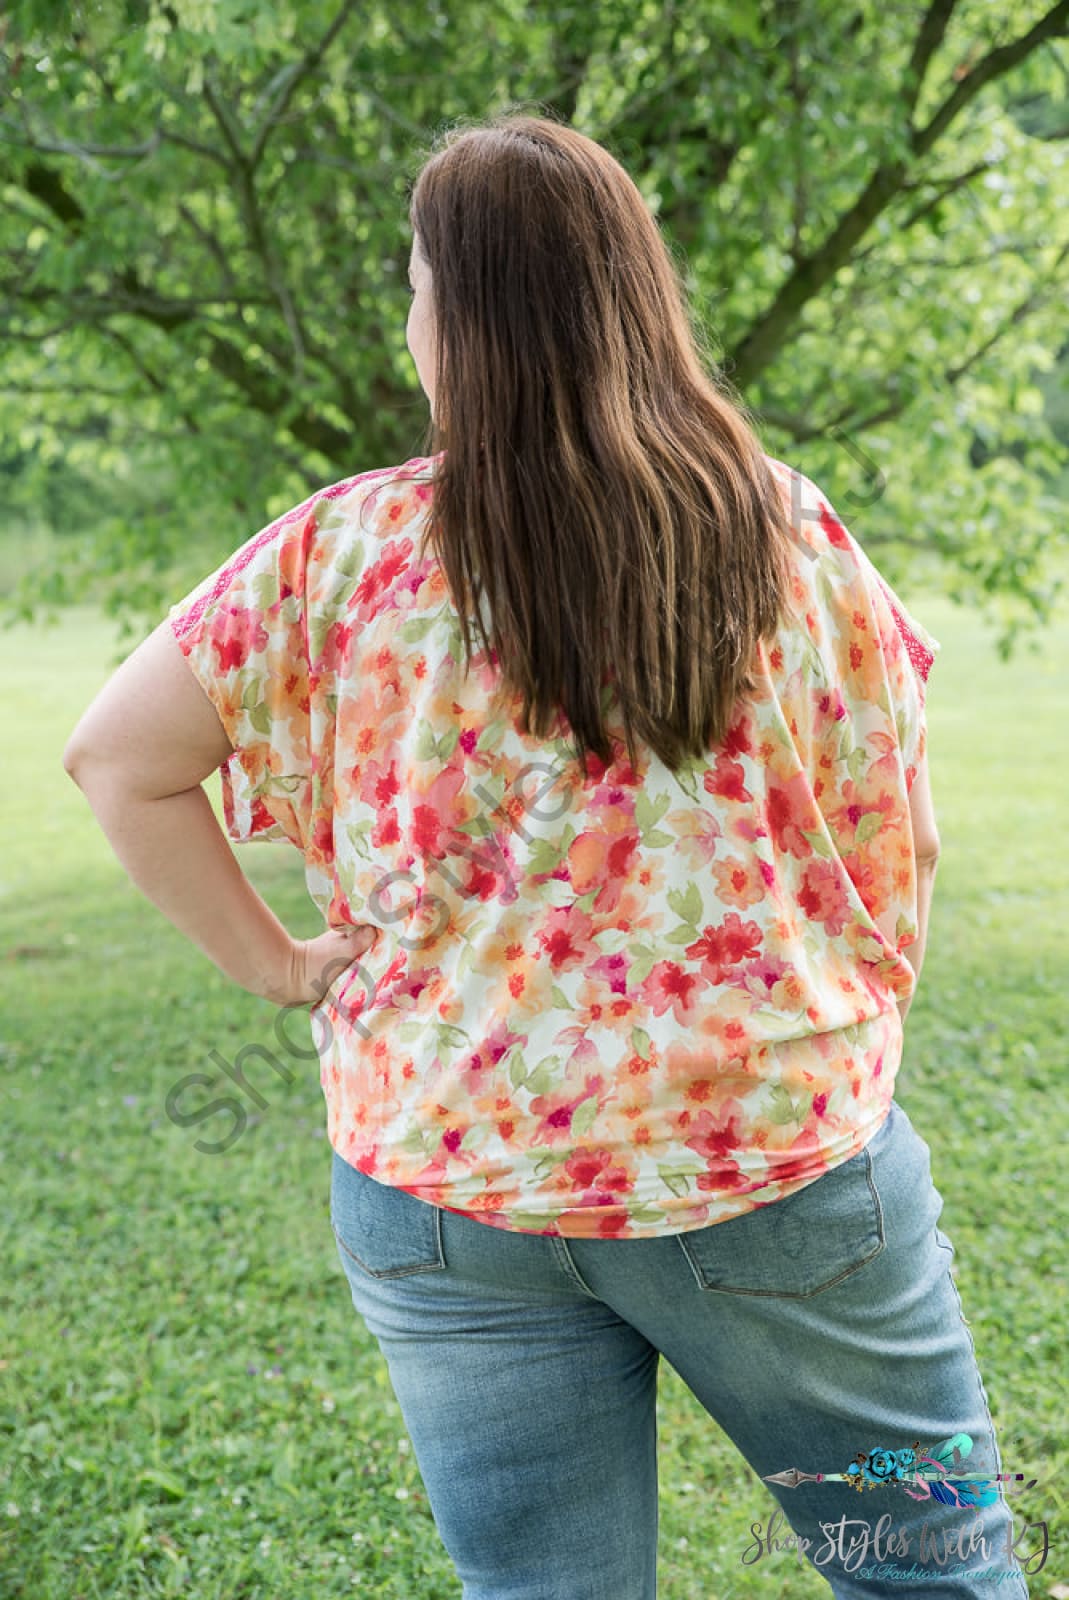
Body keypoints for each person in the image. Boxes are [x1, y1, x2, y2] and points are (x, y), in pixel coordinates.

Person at [62, 113, 1030, 1599]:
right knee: (923, 1570)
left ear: (457, 320)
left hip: (453, 1185)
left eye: (413, 286)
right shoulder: (779, 532)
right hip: (776, 1163)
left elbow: (117, 761)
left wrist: (277, 967)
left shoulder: (338, 555)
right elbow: (910, 815)